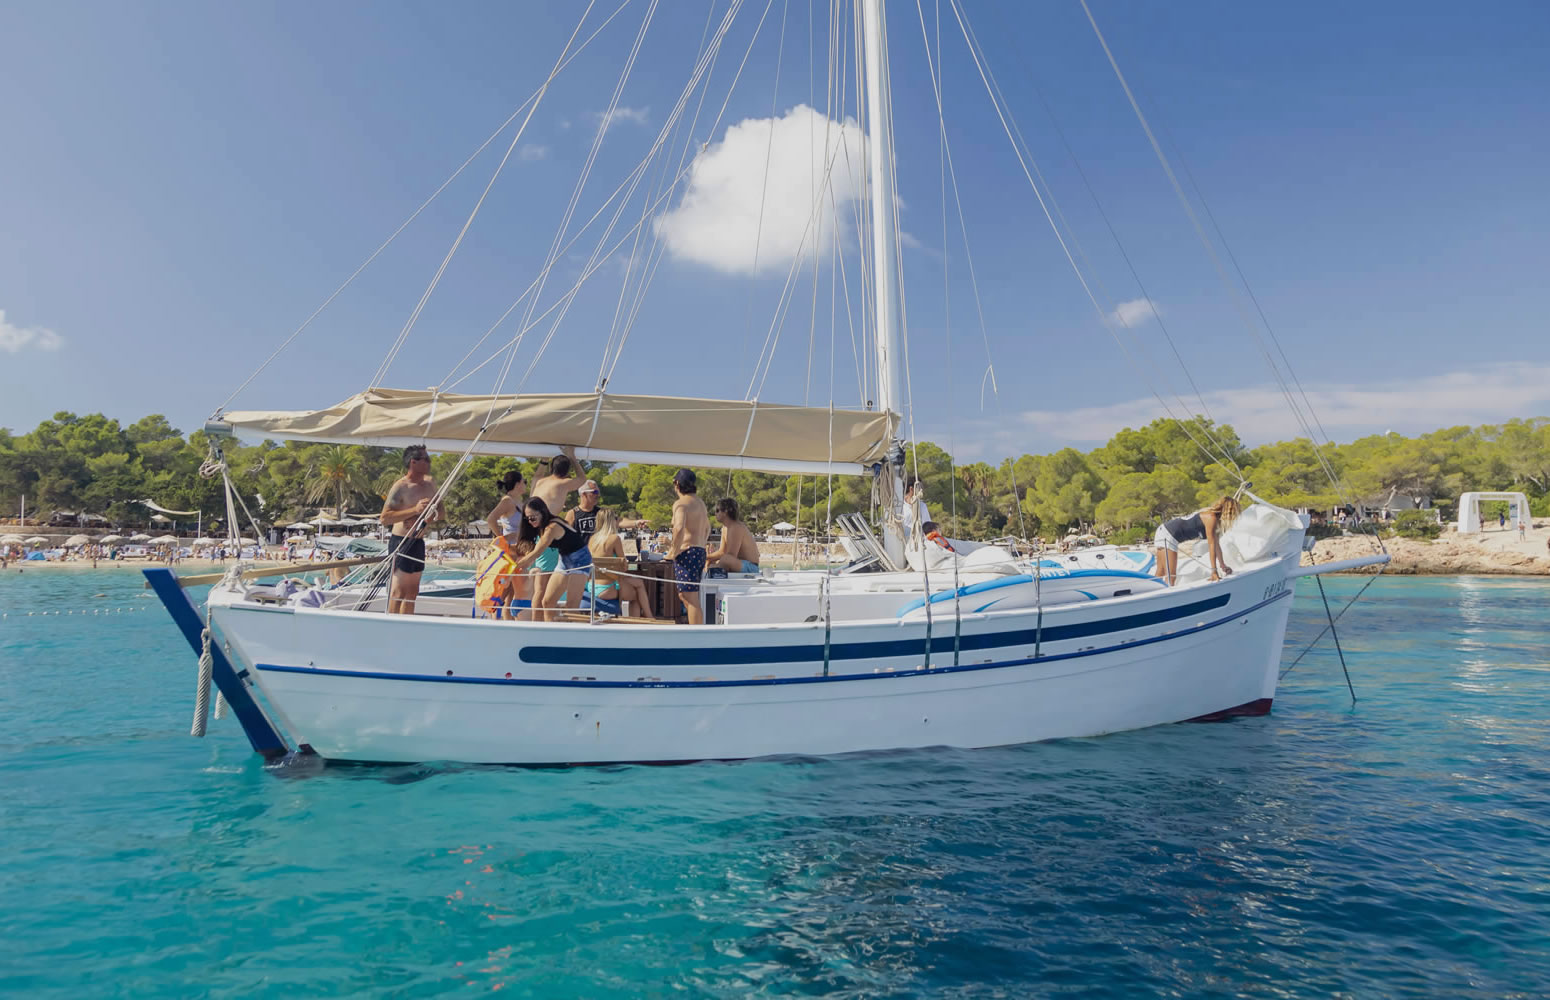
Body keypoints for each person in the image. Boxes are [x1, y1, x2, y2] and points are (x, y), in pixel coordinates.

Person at [379, 443, 442, 614]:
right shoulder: (401, 487)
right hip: (401, 542)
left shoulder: (430, 484)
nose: (429, 463)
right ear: (413, 462)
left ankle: (407, 626)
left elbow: (442, 512)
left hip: (418, 542)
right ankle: (391, 626)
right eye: (426, 459)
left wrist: (431, 516)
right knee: (398, 592)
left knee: (412, 592)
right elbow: (384, 518)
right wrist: (414, 510)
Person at [510, 498, 593, 622]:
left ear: (542, 512)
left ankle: (573, 636)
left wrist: (516, 566)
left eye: (532, 518)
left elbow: (537, 552)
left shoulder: (552, 527)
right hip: (565, 559)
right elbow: (528, 547)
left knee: (572, 606)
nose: (530, 522)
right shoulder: (541, 527)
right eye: (527, 519)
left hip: (580, 559)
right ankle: (550, 631)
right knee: (547, 602)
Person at [528, 449, 588, 614]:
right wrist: (573, 457)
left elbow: (535, 477)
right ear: (566, 472)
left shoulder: (540, 482)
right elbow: (583, 479)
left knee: (542, 586)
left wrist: (543, 460)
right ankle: (538, 623)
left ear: (551, 468)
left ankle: (538, 622)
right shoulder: (561, 483)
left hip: (538, 533)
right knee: (542, 586)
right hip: (548, 536)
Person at [1153, 496, 1241, 587]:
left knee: (1161, 572)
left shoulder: (1215, 521)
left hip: (1163, 531)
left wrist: (1223, 566)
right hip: (1168, 534)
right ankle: (1166, 598)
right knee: (1171, 576)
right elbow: (1211, 546)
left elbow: (1216, 546)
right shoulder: (1211, 518)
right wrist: (1214, 571)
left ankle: (1151, 594)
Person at [587, 508, 656, 618]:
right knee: (637, 594)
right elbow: (623, 566)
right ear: (611, 521)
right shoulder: (614, 539)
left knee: (638, 584)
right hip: (608, 588)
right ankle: (648, 618)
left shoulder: (592, 539)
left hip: (592, 586)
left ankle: (647, 618)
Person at [668, 468, 710, 624]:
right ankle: (695, 629)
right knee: (685, 596)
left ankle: (696, 634)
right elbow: (708, 528)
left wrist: (673, 551)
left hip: (687, 552)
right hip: (699, 551)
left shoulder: (681, 503)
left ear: (677, 484)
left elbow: (678, 528)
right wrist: (701, 543)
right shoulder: (700, 503)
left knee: (690, 598)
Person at [567, 479, 647, 543]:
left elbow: (618, 521)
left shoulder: (601, 512)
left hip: (598, 558)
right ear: (583, 494)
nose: (598, 495)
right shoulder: (573, 514)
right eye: (595, 492)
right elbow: (564, 536)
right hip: (580, 560)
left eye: (598, 492)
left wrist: (636, 523)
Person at [705, 498, 761, 574]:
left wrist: (713, 561)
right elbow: (722, 552)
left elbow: (731, 555)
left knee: (726, 559)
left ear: (725, 511)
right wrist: (706, 557)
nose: (715, 513)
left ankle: (712, 569)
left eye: (717, 510)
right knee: (711, 561)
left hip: (751, 567)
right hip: (739, 564)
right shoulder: (725, 528)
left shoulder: (735, 527)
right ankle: (711, 569)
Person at [485, 468, 527, 541]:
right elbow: (491, 519)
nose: (526, 485)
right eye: (524, 482)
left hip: (522, 546)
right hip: (511, 548)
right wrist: (501, 538)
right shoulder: (507, 501)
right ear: (518, 484)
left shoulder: (518, 501)